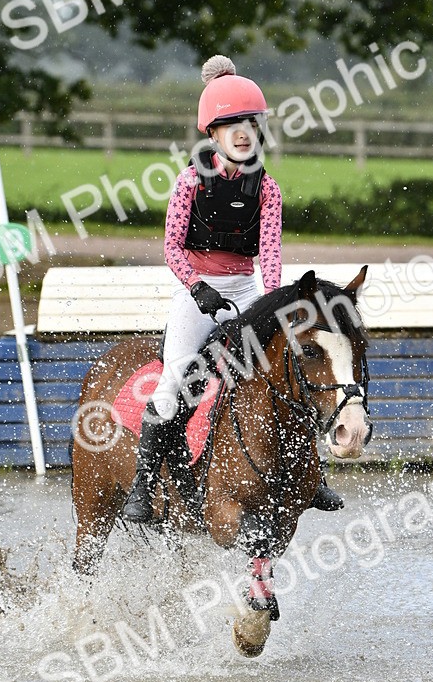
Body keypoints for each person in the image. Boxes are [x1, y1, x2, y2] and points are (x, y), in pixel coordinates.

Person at [122, 55, 344, 522]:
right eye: (231, 124)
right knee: (175, 379)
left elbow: (270, 254)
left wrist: (271, 301)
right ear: (213, 134)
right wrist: (196, 286)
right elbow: (171, 246)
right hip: (197, 291)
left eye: (250, 122)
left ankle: (311, 472)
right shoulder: (189, 182)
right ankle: (144, 486)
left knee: (280, 365)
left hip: (245, 288)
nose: (243, 132)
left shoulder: (269, 189)